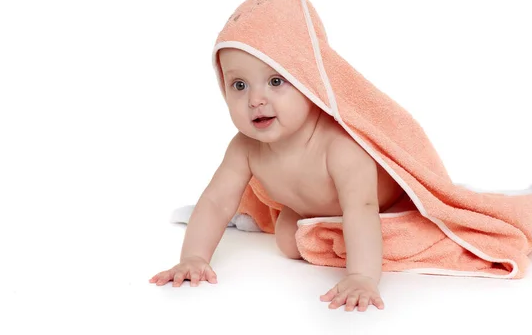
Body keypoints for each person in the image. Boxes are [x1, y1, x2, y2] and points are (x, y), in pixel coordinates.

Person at [149, 47, 405, 312]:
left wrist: (361, 277)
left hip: (376, 203)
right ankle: (317, 224)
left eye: (275, 81)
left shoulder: (339, 145)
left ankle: (369, 238)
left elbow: (361, 207)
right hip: (310, 208)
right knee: (288, 242)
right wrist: (193, 257)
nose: (255, 100)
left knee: (371, 232)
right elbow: (216, 201)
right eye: (239, 85)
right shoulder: (245, 147)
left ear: (309, 82)